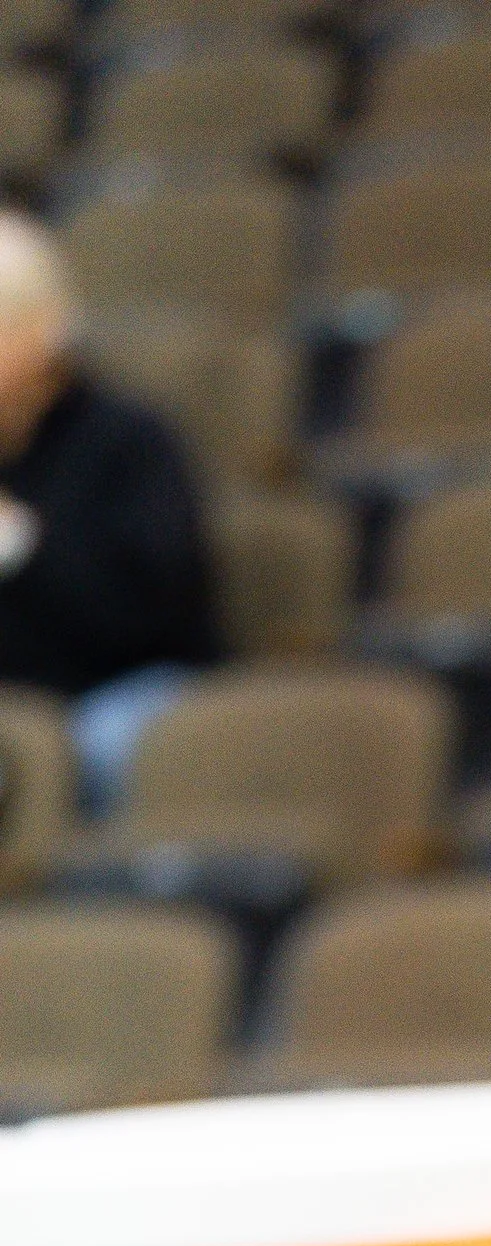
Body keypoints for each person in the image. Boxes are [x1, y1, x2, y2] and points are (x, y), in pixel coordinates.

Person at [0, 211, 218, 810]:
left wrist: (22, 546)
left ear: (43, 332)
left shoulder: (129, 440)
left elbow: (153, 614)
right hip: (17, 705)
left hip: (121, 689)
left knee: (97, 747)